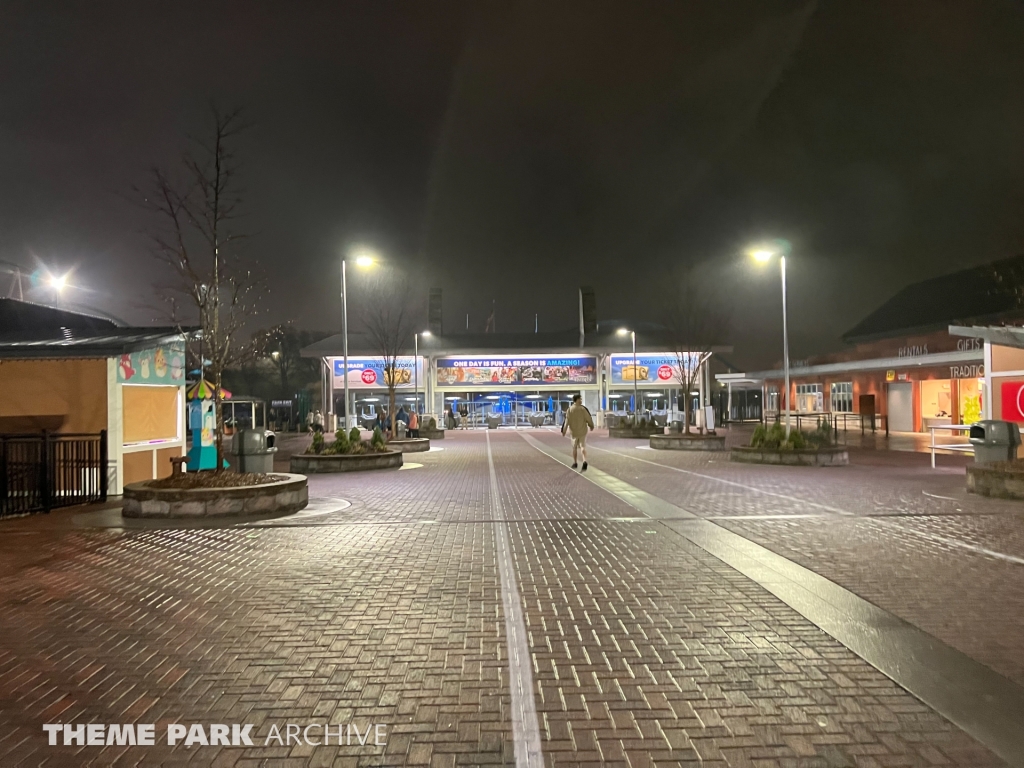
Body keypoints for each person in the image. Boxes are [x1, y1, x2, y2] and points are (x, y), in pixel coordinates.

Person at [562, 393, 594, 471]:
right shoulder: (583, 409)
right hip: (582, 431)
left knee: (574, 447)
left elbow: (566, 421)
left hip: (574, 432)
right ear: (576, 400)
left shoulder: (570, 409)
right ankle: (584, 461)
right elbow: (588, 418)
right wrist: (591, 425)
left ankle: (575, 462)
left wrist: (564, 430)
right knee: (583, 447)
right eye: (580, 399)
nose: (581, 401)